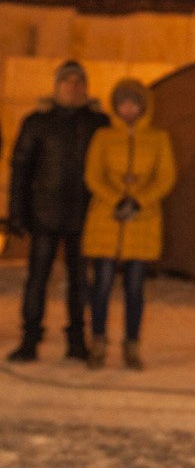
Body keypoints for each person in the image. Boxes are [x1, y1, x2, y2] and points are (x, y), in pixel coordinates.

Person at [5, 60, 108, 362]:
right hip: (44, 215)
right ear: (57, 86)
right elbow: (20, 168)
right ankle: (29, 339)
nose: (74, 87)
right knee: (37, 278)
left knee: (79, 280)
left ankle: (77, 340)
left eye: (79, 82)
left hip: (84, 216)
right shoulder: (37, 122)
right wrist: (16, 213)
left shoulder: (98, 123)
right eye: (68, 81)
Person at [82, 78, 177, 369]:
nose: (128, 108)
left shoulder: (159, 138)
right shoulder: (103, 137)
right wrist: (116, 200)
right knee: (102, 286)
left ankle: (131, 345)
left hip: (142, 221)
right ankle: (97, 342)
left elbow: (166, 177)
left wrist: (139, 200)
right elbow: (93, 175)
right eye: (123, 103)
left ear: (143, 106)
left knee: (135, 289)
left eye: (134, 103)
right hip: (107, 220)